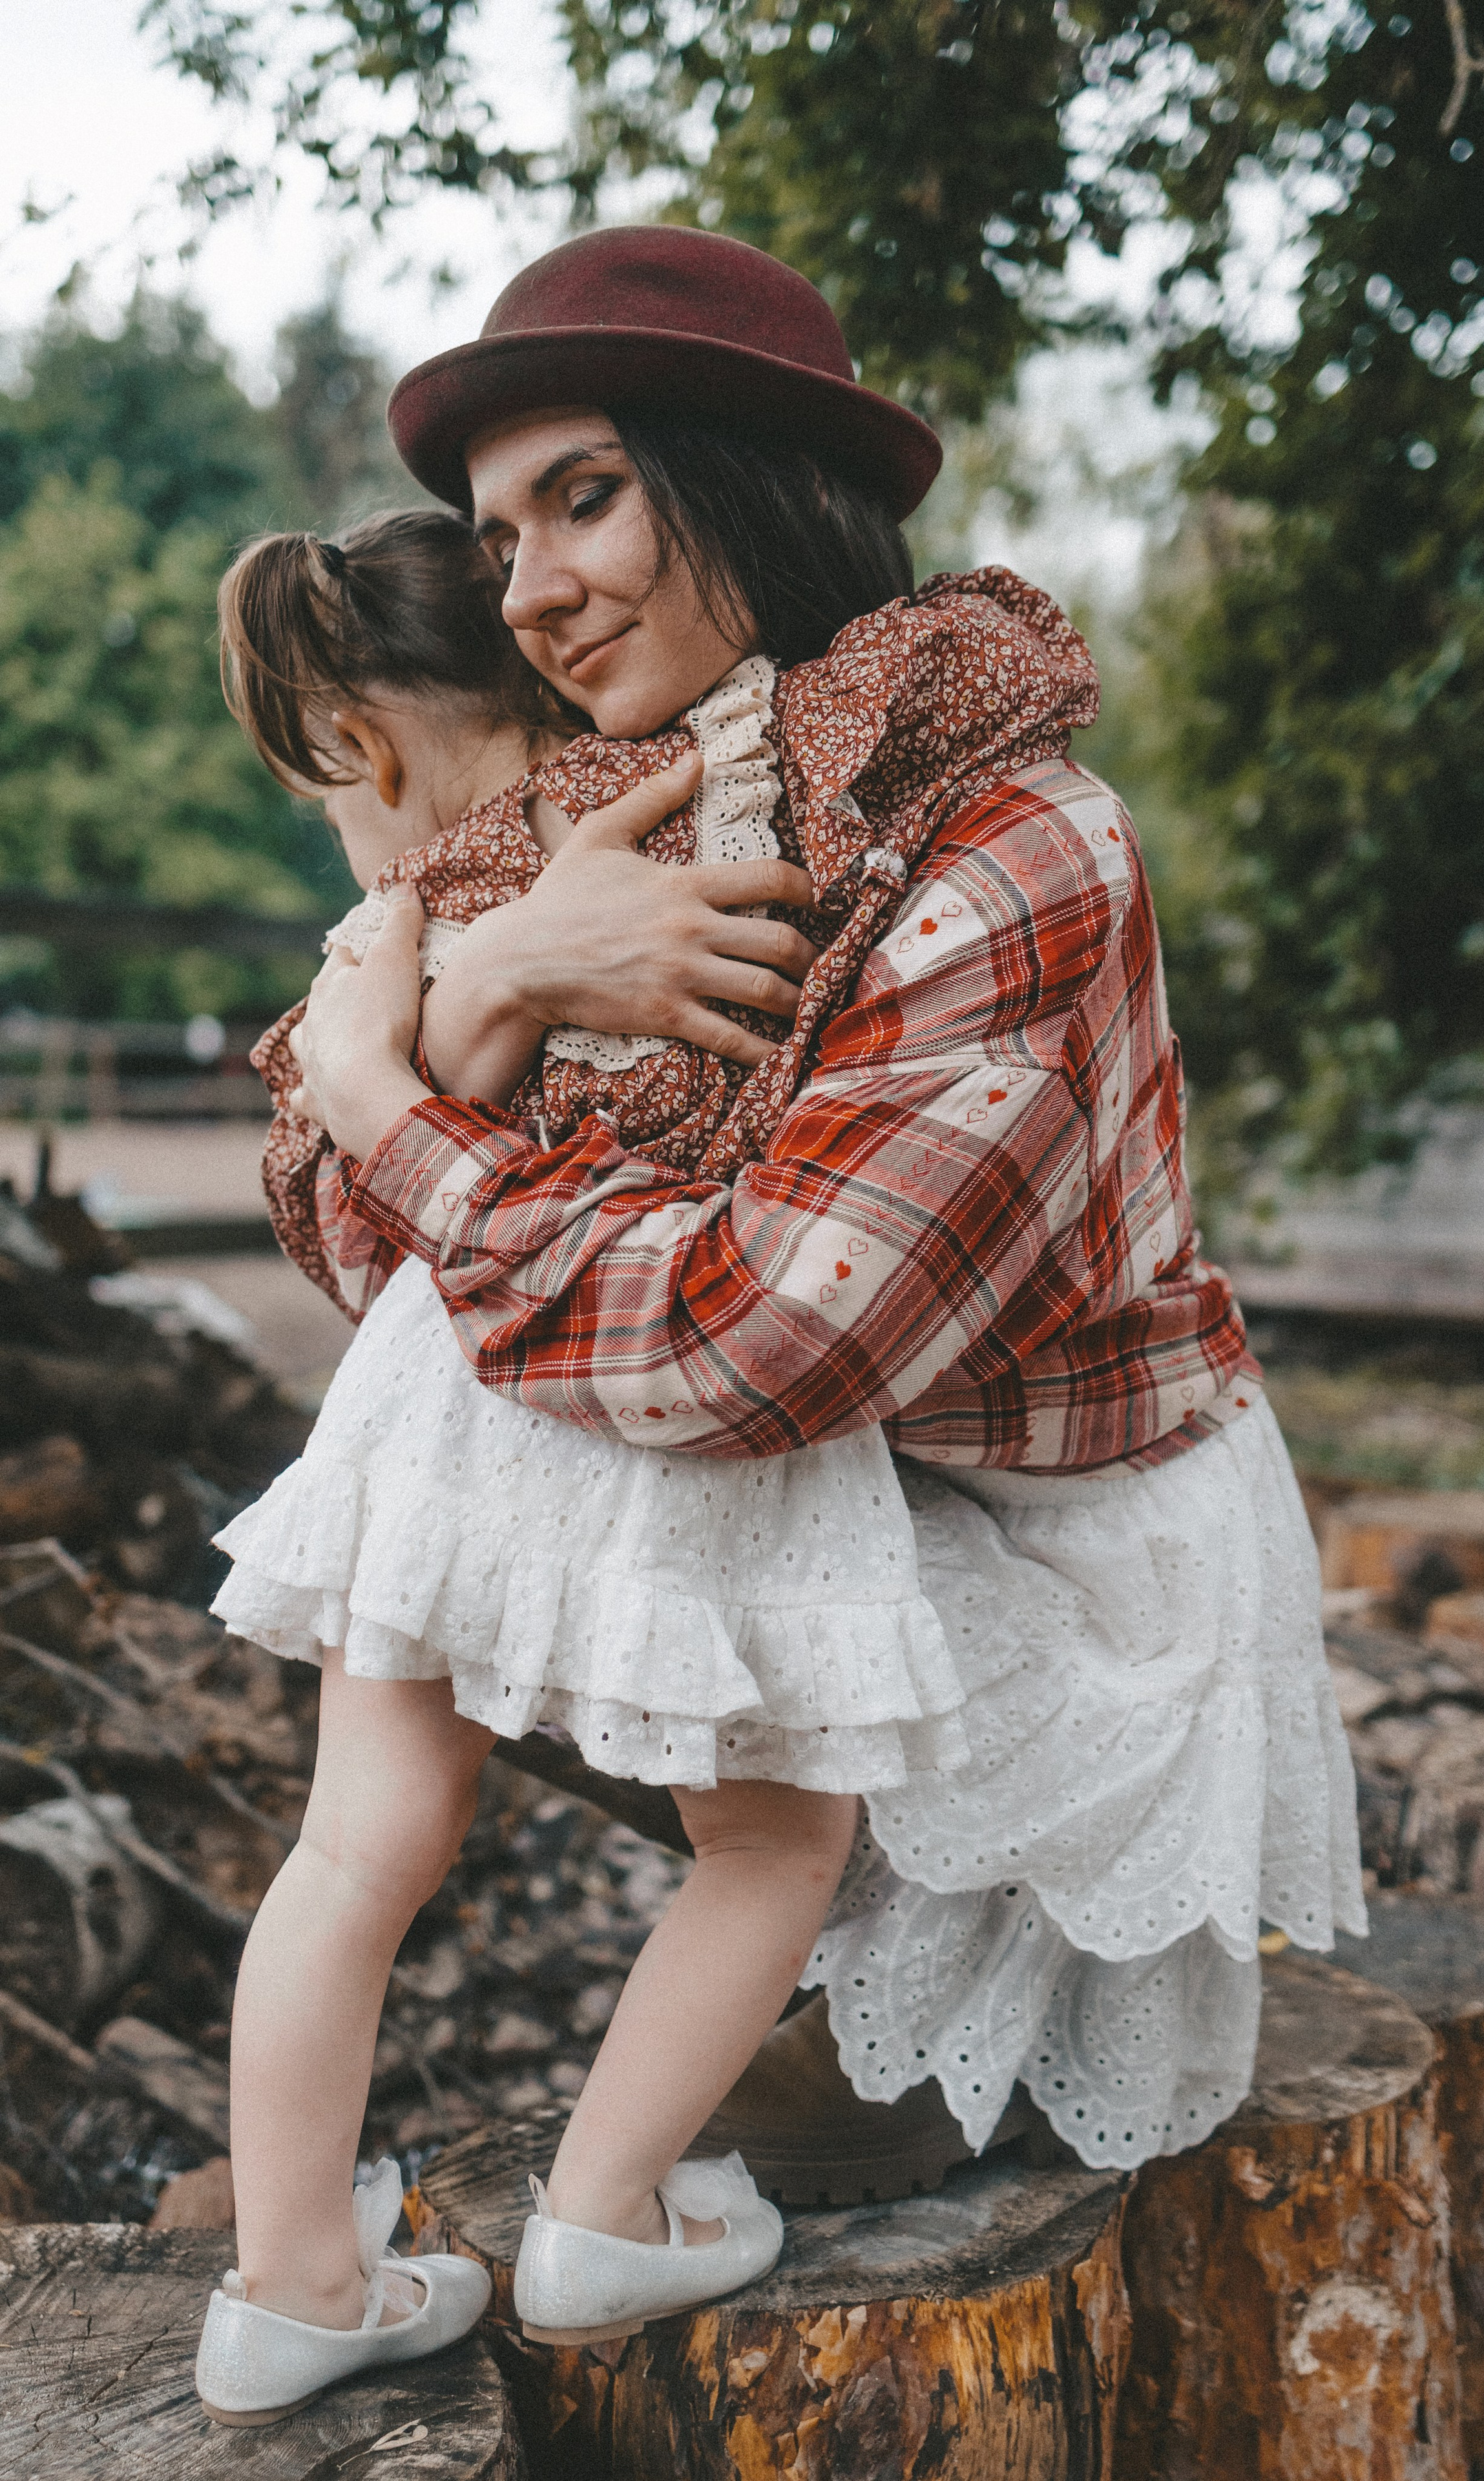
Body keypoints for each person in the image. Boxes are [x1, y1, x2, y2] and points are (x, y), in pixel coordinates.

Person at [239, 225, 1366, 2398]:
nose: (530, 590)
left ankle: (679, 2147)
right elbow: (357, 1254)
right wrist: (481, 995)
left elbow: (751, 1352)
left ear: (752, 476)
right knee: (484, 1740)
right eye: (496, 537)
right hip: (780, 1511)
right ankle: (572, 2182)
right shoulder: (588, 817)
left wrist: (397, 1086)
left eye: (589, 496)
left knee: (962, 2151)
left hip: (1045, 1562)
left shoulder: (1012, 839)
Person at [195, 483, 1085, 2409]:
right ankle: (608, 2209)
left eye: (339, 795)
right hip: (654, 1365)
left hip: (455, 1371)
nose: (354, 848)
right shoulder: (736, 777)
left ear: (371, 740)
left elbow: (325, 1146)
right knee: (771, 1835)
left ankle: (287, 2284)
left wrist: (443, 1007)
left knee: (358, 1843)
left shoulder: (407, 921)